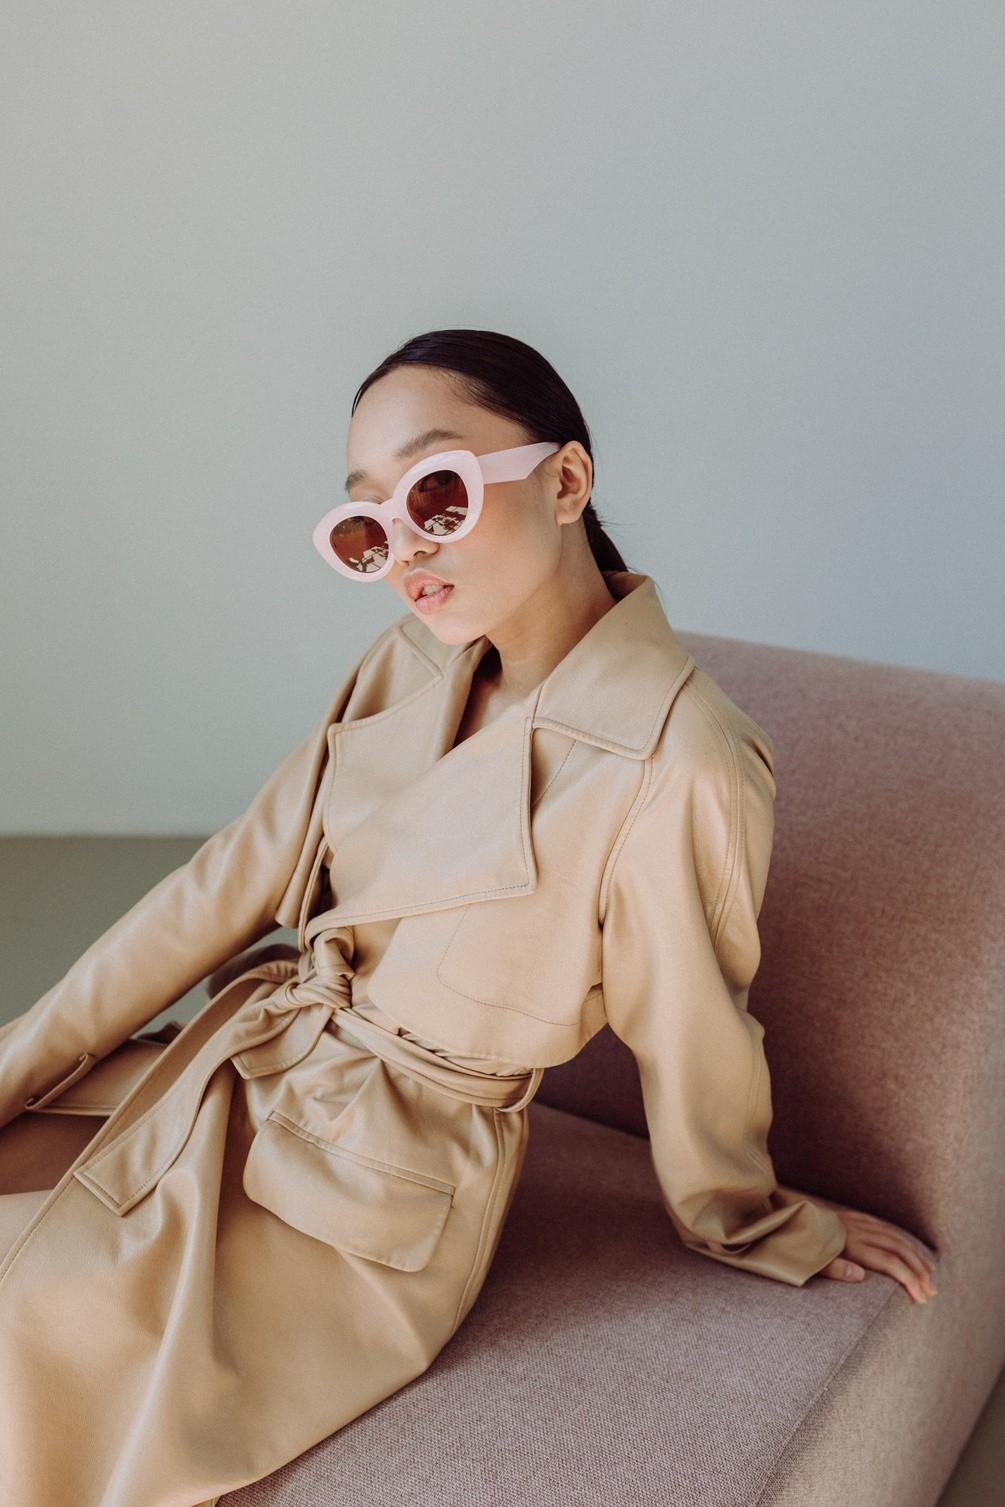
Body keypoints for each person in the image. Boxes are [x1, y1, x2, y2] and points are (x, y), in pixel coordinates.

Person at [0, 327, 937, 1507]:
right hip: (241, 1071)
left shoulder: (684, 759)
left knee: (30, 1331)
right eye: (367, 525)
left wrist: (754, 1219)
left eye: (434, 494)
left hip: (369, 1193)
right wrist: (16, 1065)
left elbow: (693, 1025)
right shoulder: (407, 662)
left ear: (567, 479)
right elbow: (223, 886)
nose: (404, 550)